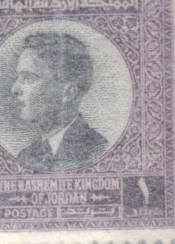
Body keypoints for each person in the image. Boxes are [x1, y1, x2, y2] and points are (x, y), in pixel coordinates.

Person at [7, 30, 109, 170]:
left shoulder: (98, 151)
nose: (14, 89)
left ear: (67, 93)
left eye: (29, 78)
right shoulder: (25, 156)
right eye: (18, 77)